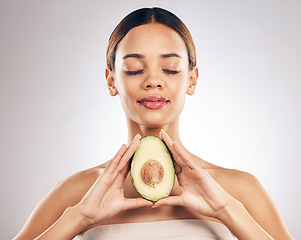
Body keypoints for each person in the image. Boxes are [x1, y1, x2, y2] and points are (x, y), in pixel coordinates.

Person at [14, 7, 293, 240]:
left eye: (170, 68)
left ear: (192, 79)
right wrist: (79, 217)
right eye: (135, 69)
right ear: (111, 80)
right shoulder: (77, 192)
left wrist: (226, 210)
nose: (153, 81)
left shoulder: (239, 190)